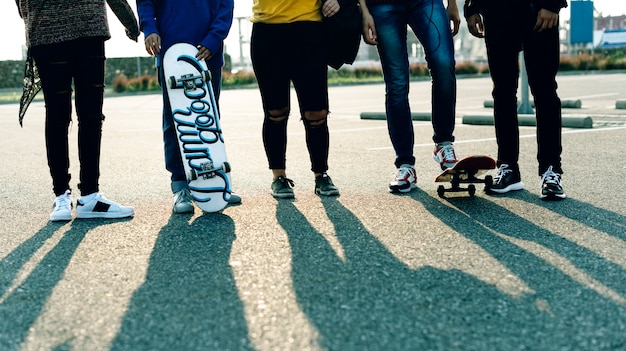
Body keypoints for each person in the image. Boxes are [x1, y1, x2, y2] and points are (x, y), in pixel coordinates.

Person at [17, 0, 140, 221]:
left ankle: (64, 196)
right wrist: (130, 22)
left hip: (48, 29)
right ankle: (87, 195)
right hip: (84, 27)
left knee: (58, 115)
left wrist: (31, 15)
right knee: (87, 116)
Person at [137, 0, 242, 213]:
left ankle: (214, 182)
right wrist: (149, 29)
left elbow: (226, 5)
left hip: (207, 52)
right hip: (170, 53)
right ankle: (180, 186)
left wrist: (214, 38)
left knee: (209, 119)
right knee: (176, 121)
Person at [464, 0, 567, 200]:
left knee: (544, 90)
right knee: (503, 91)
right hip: (497, 11)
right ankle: (508, 167)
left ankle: (551, 170)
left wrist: (552, 4)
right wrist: (472, 6)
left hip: (538, 8)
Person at [358, 0, 461, 193]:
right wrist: (364, 11)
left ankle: (444, 143)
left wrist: (452, 3)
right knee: (396, 83)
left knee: (444, 65)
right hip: (381, 5)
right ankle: (405, 165)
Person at [250, 0, 342, 199]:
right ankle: (278, 177)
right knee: (276, 112)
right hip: (268, 29)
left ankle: (321, 174)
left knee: (316, 113)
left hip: (309, 28)